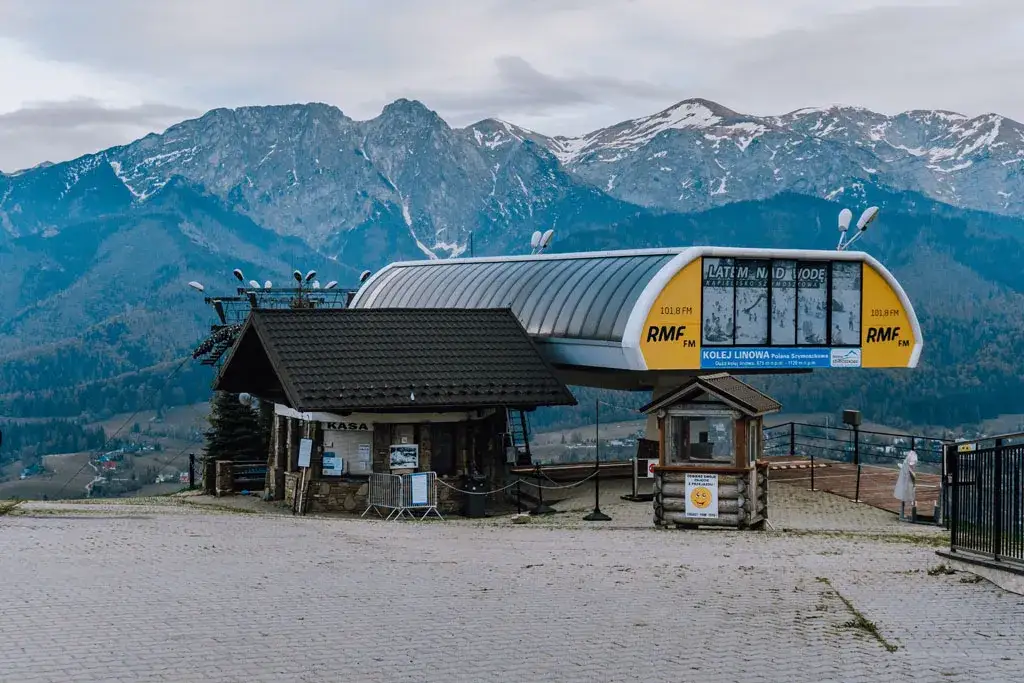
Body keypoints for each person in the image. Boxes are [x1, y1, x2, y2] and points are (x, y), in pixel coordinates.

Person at [893, 449, 918, 519]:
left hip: (905, 482)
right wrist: (914, 483)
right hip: (907, 483)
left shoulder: (906, 462)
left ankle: (903, 513)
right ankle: (909, 514)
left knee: (904, 497)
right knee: (910, 497)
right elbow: (912, 475)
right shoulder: (909, 464)